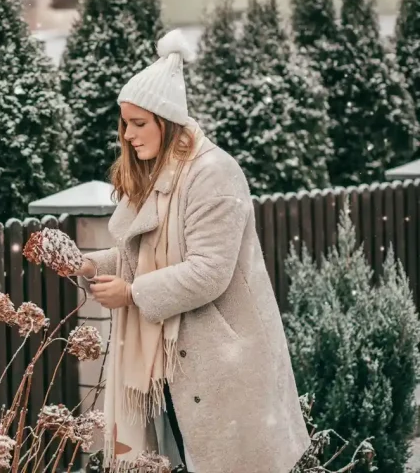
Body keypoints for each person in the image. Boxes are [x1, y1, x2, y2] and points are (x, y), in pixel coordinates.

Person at [74, 29, 310, 473]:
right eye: (124, 123)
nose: (127, 135)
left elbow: (208, 272)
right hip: (169, 367)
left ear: (167, 121)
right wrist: (87, 264)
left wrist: (132, 294)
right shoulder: (152, 175)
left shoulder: (213, 175)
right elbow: (136, 256)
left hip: (222, 363)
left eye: (139, 123)